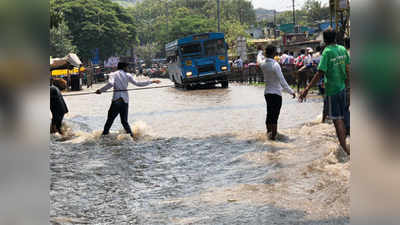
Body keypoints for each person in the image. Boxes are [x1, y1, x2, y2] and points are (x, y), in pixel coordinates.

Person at [299, 29, 350, 155]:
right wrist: (350, 87)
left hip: (332, 90)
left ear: (325, 40)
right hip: (343, 88)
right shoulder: (342, 49)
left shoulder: (327, 52)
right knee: (343, 117)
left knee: (337, 120)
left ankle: (345, 149)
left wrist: (306, 89)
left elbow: (320, 73)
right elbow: (348, 69)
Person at [96, 62, 161, 138]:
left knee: (110, 120)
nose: (128, 69)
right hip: (125, 100)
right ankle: (131, 137)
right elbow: (138, 84)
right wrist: (152, 81)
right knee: (124, 121)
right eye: (127, 67)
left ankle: (103, 136)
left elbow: (110, 84)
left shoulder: (113, 74)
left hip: (116, 100)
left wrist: (100, 90)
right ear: (123, 67)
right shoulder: (128, 75)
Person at [259, 45, 296, 140]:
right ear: (274, 53)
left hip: (267, 93)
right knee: (275, 116)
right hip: (276, 94)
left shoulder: (262, 64)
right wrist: (291, 92)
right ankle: (274, 138)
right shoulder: (275, 65)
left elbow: (258, 58)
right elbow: (282, 81)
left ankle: (268, 134)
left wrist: (259, 52)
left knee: (269, 114)